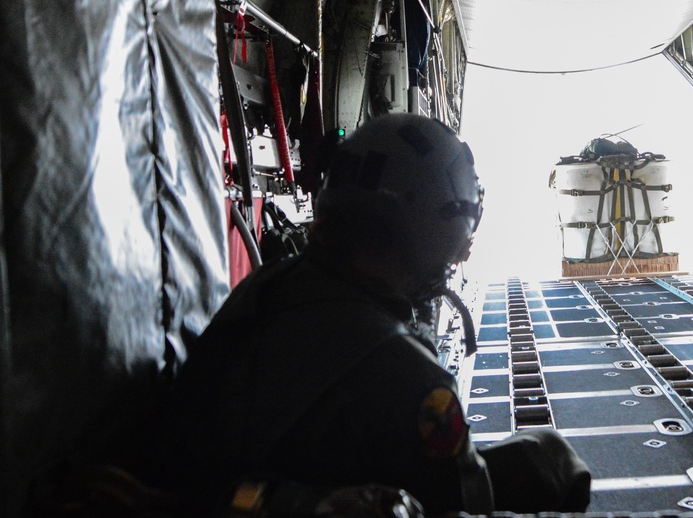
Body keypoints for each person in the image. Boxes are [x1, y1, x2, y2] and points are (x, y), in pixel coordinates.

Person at [144, 113, 591, 516]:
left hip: (200, 489)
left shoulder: (267, 287)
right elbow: (459, 498)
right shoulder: (411, 376)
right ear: (432, 226)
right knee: (549, 461)